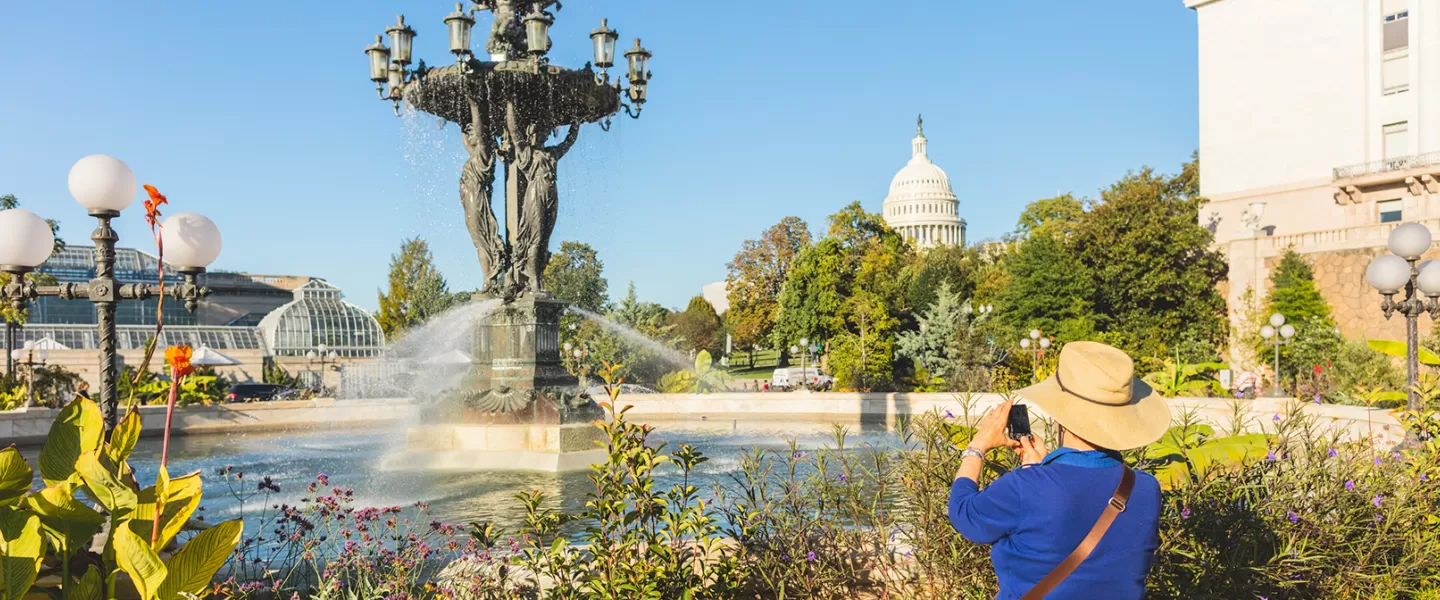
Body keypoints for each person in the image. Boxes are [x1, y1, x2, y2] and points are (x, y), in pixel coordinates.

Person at [948, 341, 1168, 600]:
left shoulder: (1026, 486)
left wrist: (977, 447)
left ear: (1060, 414)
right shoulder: (1145, 488)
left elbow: (964, 513)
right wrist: (1042, 469)